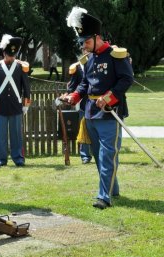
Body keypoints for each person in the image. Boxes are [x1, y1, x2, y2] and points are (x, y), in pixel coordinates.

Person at [63, 7, 134, 209]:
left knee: (107, 155)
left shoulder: (115, 55)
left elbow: (126, 79)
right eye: (82, 42)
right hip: (91, 113)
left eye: (86, 41)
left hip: (110, 113)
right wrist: (74, 96)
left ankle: (104, 196)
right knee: (98, 155)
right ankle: (113, 189)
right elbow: (85, 83)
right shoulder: (89, 58)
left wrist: (109, 98)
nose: (83, 46)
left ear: (97, 37)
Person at [0, 34, 31, 167]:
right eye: (9, 55)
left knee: (16, 135)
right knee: (0, 136)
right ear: (4, 53)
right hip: (0, 106)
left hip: (15, 106)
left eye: (13, 55)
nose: (11, 58)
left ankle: (18, 158)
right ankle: (1, 159)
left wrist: (25, 104)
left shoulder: (21, 67)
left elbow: (26, 87)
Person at [66, 50, 92, 164]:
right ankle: (85, 156)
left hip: (98, 104)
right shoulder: (77, 67)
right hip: (84, 104)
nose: (87, 51)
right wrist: (71, 96)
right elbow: (72, 86)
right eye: (85, 49)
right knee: (84, 131)